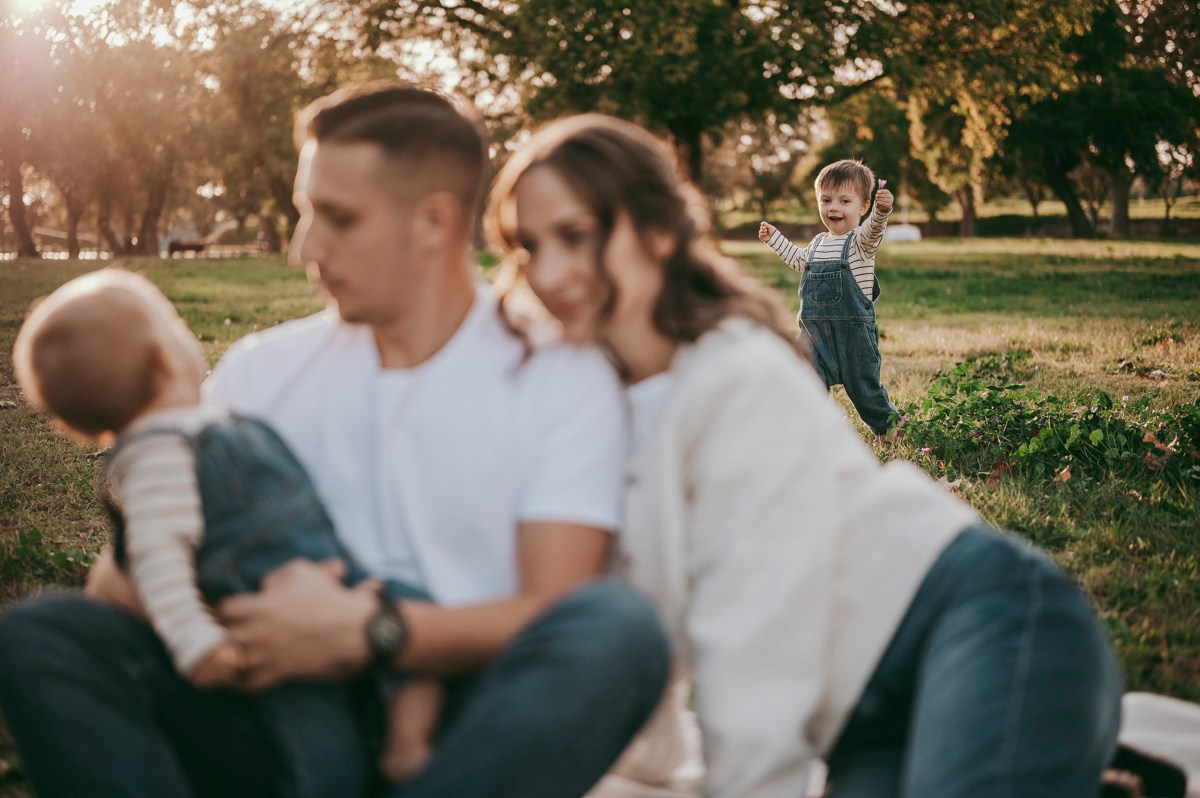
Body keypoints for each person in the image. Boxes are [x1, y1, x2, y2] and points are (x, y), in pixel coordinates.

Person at [0, 82, 670, 798]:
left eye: (336, 218)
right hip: (268, 709)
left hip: (455, 727)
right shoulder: (263, 369)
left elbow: (549, 606)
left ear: (434, 224)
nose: (303, 248)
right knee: (43, 633)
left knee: (617, 629)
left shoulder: (556, 375)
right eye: (303, 213)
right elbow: (119, 582)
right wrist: (253, 628)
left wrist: (368, 633)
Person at [488, 113, 1124, 798]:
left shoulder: (736, 377)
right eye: (528, 245)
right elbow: (638, 605)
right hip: (857, 717)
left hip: (976, 619)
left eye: (576, 236)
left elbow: (755, 621)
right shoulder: (586, 397)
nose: (547, 272)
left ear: (660, 233)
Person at [8, 267, 442, 796]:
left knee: (414, 608)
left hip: (336, 584)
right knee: (317, 736)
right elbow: (157, 558)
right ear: (167, 357)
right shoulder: (157, 455)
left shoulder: (201, 424)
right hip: (270, 624)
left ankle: (406, 742)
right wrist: (197, 642)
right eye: (174, 323)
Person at [758, 159, 898, 435]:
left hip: (853, 335)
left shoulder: (861, 243)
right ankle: (811, 433)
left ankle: (891, 429)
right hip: (814, 333)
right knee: (806, 382)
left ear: (863, 206)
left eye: (845, 201)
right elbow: (798, 260)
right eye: (826, 200)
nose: (833, 207)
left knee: (864, 390)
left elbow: (874, 230)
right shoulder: (818, 243)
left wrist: (882, 212)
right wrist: (775, 239)